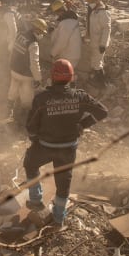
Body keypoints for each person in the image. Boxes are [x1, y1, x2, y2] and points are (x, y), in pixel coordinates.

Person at [23, 59, 108, 226]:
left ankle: (35, 201)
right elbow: (103, 111)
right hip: (68, 148)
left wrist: (34, 140)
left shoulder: (42, 99)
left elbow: (31, 126)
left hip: (45, 146)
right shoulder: (80, 97)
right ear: (71, 77)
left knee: (30, 164)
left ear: (51, 77)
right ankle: (58, 219)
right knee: (63, 184)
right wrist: (83, 124)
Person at [8, 18, 48, 123]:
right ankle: (23, 121)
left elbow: (12, 49)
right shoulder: (33, 44)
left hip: (14, 69)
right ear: (36, 29)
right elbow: (34, 63)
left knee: (13, 90)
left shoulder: (20, 35)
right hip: (25, 75)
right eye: (41, 32)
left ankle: (8, 112)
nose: (41, 34)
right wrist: (38, 79)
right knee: (27, 99)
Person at [84, 0, 111, 86]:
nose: (89, 3)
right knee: (95, 62)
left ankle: (103, 84)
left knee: (97, 64)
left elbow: (107, 29)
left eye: (90, 1)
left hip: (100, 43)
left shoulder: (103, 12)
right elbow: (90, 26)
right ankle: (96, 82)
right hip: (94, 42)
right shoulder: (94, 11)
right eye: (88, 1)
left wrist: (103, 44)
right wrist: (86, 37)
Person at [49, 0, 81, 71]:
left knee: (63, 75)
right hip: (71, 54)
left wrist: (53, 53)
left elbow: (62, 41)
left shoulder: (67, 23)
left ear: (60, 11)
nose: (57, 15)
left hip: (69, 56)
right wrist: (53, 31)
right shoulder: (70, 20)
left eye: (57, 13)